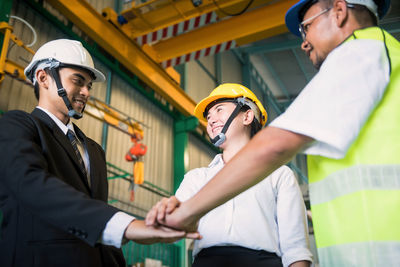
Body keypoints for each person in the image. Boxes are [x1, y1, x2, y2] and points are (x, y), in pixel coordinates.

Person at [148, 0, 400, 266]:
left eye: (306, 27)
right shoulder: (197, 177)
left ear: (338, 11)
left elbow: (276, 145)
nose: (304, 42)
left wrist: (187, 211)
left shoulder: (363, 52)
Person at [0, 39, 199, 267]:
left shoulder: (94, 149)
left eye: (89, 86)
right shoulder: (17, 125)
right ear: (43, 78)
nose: (85, 92)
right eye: (78, 81)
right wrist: (128, 226)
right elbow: (30, 185)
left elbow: (96, 211)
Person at [146, 83, 313, 267]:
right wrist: (164, 214)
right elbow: (171, 230)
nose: (211, 120)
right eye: (208, 116)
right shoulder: (196, 177)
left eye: (219, 110)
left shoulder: (279, 175)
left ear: (247, 115)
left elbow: (296, 247)